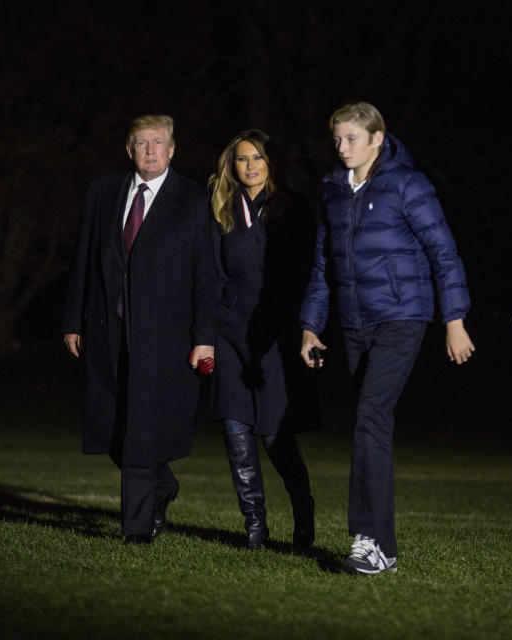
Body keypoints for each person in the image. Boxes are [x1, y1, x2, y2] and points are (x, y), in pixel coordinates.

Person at [299, 102, 475, 574]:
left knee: (369, 417)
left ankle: (366, 540)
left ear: (378, 138)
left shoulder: (407, 184)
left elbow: (443, 250)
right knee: (372, 425)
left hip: (403, 317)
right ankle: (386, 549)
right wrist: (310, 325)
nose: (341, 148)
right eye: (336, 140)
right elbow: (324, 265)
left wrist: (453, 319)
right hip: (354, 324)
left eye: (351, 139)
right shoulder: (333, 191)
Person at [62, 115, 217, 544]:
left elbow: (206, 274)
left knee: (142, 427)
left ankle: (136, 529)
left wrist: (204, 336)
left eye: (158, 143)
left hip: (164, 336)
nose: (150, 150)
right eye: (141, 143)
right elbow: (85, 259)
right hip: (106, 329)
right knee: (108, 423)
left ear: (172, 150)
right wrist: (73, 319)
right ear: (129, 150)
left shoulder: (193, 199)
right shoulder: (104, 191)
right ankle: (161, 485)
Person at [208, 130, 319, 550]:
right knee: (236, 428)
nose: (250, 165)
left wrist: (308, 325)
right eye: (241, 159)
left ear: (271, 162)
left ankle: (303, 517)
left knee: (275, 433)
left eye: (257, 157)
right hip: (229, 333)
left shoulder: (292, 209)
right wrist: (212, 324)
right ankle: (255, 526)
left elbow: (309, 272)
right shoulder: (220, 210)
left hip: (275, 335)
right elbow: (211, 275)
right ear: (231, 165)